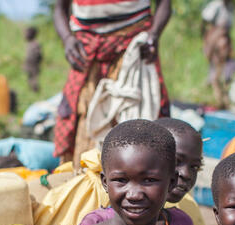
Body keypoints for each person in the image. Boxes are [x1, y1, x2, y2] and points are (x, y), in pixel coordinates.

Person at [40, 119, 198, 225]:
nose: (134, 195)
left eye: (149, 180)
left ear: (171, 182)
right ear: (105, 182)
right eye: (121, 180)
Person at [53, 0, 172, 166]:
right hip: (85, 50)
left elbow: (164, 3)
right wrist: (67, 39)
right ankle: (87, 182)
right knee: (82, 121)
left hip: (134, 46)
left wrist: (154, 34)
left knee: (139, 126)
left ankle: (136, 179)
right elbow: (60, 7)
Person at [80, 117, 203, 225]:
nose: (186, 174)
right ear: (105, 182)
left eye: (195, 166)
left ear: (172, 181)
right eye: (176, 161)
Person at [201, 0, 235, 109]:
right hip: (216, 39)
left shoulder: (230, 6)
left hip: (224, 40)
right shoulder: (216, 6)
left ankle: (225, 99)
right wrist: (209, 43)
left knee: (228, 70)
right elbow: (205, 24)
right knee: (215, 71)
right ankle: (218, 100)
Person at [24, 26, 42, 93]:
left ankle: (36, 90)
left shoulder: (36, 43)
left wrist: (37, 62)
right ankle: (31, 90)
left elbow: (39, 54)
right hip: (28, 64)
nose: (25, 35)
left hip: (34, 64)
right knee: (29, 78)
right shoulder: (28, 44)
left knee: (34, 78)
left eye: (27, 33)